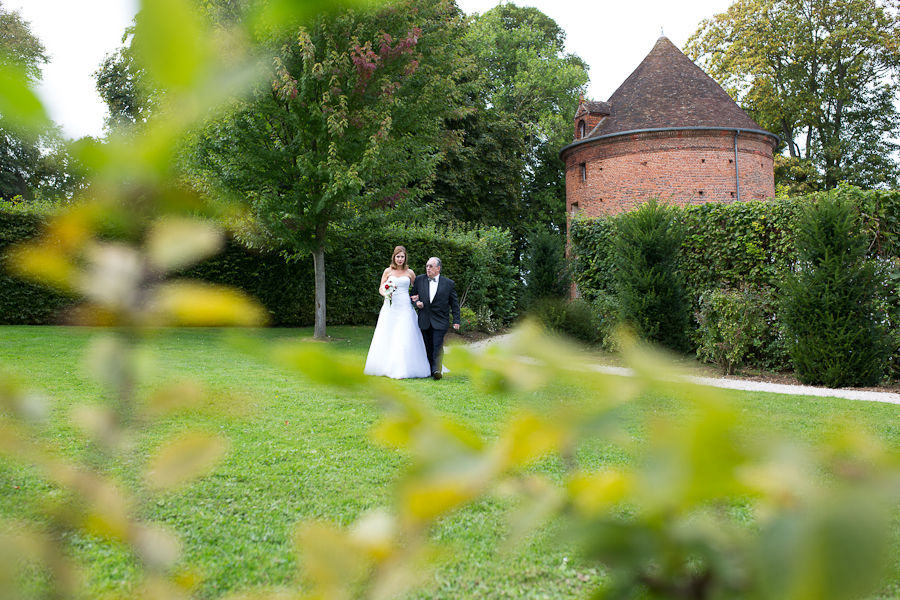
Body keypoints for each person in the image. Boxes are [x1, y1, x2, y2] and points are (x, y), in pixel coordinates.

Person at [364, 246, 432, 379]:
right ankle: (387, 366)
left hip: (405, 306)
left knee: (404, 335)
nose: (400, 259)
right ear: (394, 257)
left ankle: (404, 368)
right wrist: (386, 294)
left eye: (402, 257)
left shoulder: (410, 272)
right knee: (388, 335)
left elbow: (417, 288)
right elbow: (381, 288)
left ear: (405, 258)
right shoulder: (387, 271)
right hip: (390, 306)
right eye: (398, 256)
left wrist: (417, 298)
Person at [411, 257, 460, 380]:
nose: (428, 268)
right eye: (427, 266)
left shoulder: (449, 284)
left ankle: (437, 370)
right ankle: (430, 368)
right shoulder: (419, 279)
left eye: (431, 266)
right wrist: (416, 302)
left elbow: (454, 303)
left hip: (440, 320)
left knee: (437, 344)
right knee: (428, 345)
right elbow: (412, 295)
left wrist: (456, 320)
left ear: (438, 268)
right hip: (425, 319)